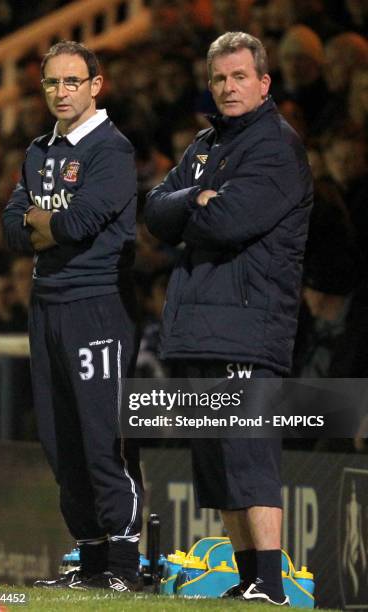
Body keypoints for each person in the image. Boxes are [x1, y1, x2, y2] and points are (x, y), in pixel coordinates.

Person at [145, 31, 313, 606]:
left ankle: (271, 584)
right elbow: (154, 210)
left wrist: (191, 204)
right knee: (218, 463)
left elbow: (230, 222)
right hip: (201, 324)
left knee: (247, 455)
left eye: (239, 76)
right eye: (219, 78)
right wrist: (197, 197)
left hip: (248, 323)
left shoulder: (275, 147)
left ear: (264, 83)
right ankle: (248, 580)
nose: (228, 87)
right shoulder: (205, 145)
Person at [2, 41, 143, 592]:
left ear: (95, 86)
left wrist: (44, 220)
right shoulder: (38, 150)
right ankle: (88, 564)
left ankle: (125, 569)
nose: (61, 93)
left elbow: (77, 224)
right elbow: (14, 228)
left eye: (71, 82)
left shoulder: (112, 149)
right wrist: (44, 223)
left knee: (99, 436)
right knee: (60, 441)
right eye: (52, 83)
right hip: (46, 305)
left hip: (96, 307)